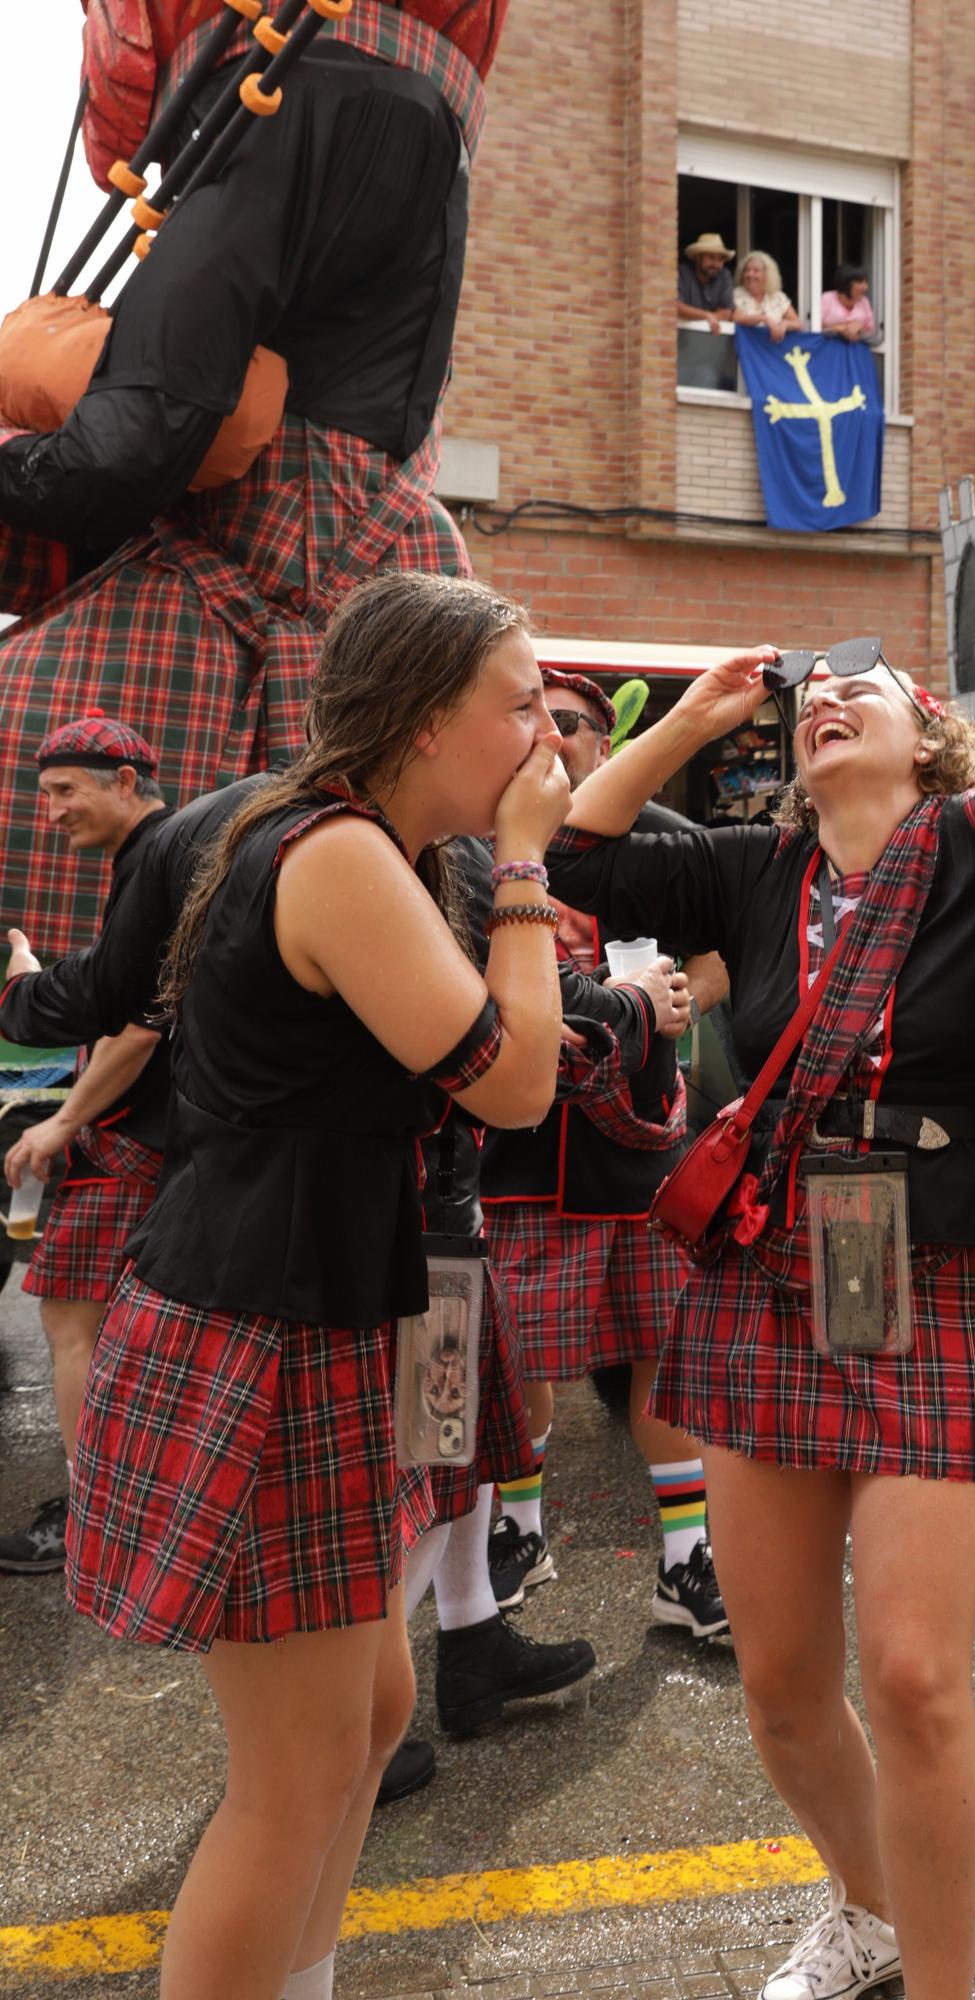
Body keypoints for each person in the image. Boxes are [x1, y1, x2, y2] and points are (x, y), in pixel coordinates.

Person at [544, 642, 975, 2000]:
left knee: (919, 1677)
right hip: (768, 1274)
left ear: (925, 731)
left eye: (858, 684)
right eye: (805, 689)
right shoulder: (753, 866)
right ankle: (867, 1909)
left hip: (952, 1277)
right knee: (781, 1686)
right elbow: (576, 856)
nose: (824, 695)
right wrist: (697, 716)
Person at [34, 569, 570, 2000]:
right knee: (298, 1772)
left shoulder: (364, 841)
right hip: (254, 1332)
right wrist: (524, 868)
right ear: (419, 718)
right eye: (519, 706)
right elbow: (517, 1082)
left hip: (310, 1321)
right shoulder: (336, 855)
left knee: (372, 1708)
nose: (544, 739)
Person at [0, 2, 501, 960]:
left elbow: (124, 448)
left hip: (224, 610)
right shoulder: (424, 138)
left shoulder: (278, 110)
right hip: (379, 576)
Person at [485, 667, 732, 1640]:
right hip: (514, 1147)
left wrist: (678, 1006)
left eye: (573, 725)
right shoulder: (475, 849)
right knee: (514, 1356)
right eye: (531, 722)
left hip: (636, 1141)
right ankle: (516, 1529)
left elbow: (720, 957)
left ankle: (686, 1559)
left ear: (602, 741)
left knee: (661, 1350)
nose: (552, 740)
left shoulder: (667, 842)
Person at [0, 715, 168, 1575]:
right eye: (45, 794)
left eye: (67, 790)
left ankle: (91, 1517)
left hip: (136, 1142)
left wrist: (65, 1122)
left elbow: (141, 1022)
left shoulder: (157, 860)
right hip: (161, 1138)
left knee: (71, 1321)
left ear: (125, 781)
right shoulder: (156, 860)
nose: (52, 810)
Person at [733, 252, 801, 343]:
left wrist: (784, 324)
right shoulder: (736, 294)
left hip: (770, 353)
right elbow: (737, 318)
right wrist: (764, 319)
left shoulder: (778, 297)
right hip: (744, 351)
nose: (750, 274)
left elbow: (798, 324)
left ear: (767, 275)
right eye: (747, 270)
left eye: (756, 271)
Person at [678, 233, 737, 333]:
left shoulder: (724, 275)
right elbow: (675, 307)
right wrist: (707, 315)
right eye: (711, 258)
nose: (715, 264)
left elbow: (726, 313)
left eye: (720, 260)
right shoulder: (683, 272)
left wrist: (706, 316)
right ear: (697, 257)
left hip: (710, 340)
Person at [819, 264, 877, 342]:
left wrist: (860, 328)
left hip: (856, 351)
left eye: (866, 282)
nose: (866, 287)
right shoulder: (827, 298)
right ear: (846, 283)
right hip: (829, 350)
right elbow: (813, 328)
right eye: (860, 282)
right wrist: (835, 329)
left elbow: (872, 332)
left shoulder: (864, 302)